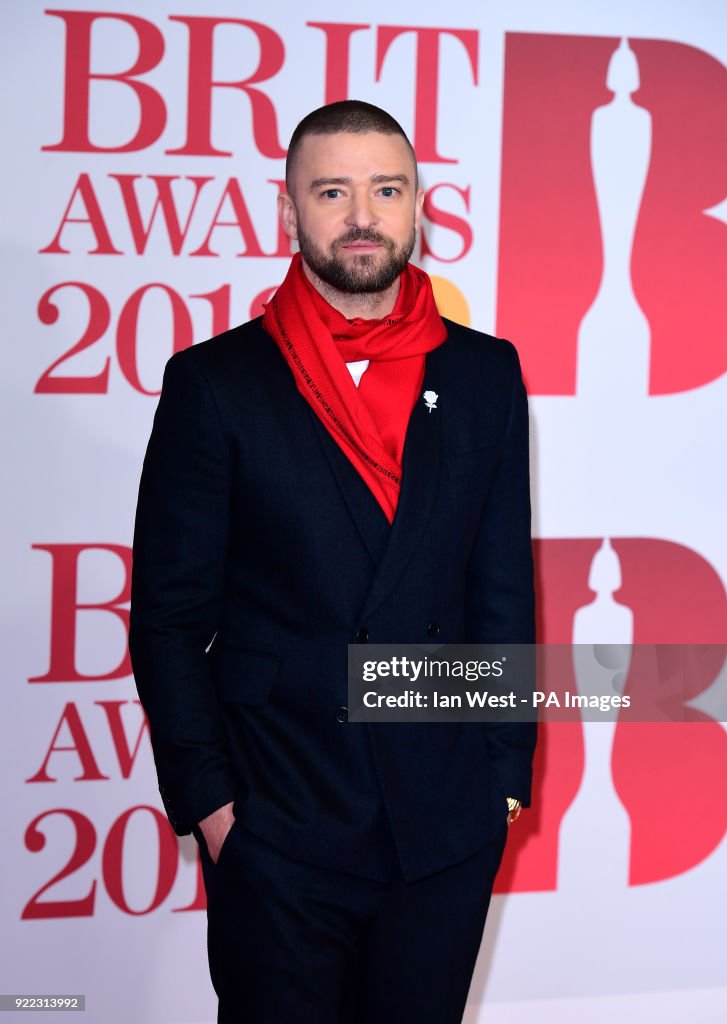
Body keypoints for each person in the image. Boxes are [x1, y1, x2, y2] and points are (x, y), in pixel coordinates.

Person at [129, 99, 535, 1024]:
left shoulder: (484, 373)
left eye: (385, 189)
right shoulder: (216, 383)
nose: (362, 214)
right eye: (333, 191)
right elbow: (168, 616)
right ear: (288, 213)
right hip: (281, 816)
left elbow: (500, 586)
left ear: (417, 203)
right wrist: (217, 811)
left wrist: (502, 780)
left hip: (442, 825)